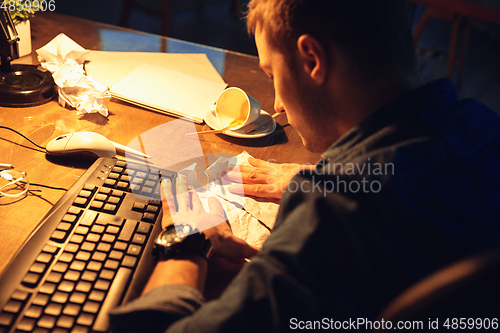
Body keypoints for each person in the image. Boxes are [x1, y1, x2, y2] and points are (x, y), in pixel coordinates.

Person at [110, 0, 500, 331]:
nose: (277, 104)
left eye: (272, 75)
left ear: (312, 59)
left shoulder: (334, 210)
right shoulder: (486, 128)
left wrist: (186, 238)